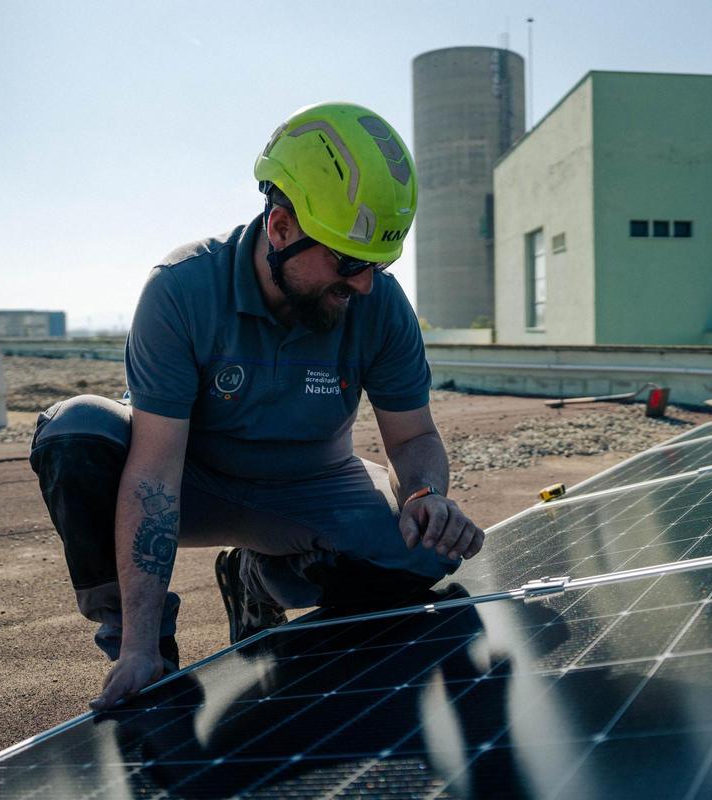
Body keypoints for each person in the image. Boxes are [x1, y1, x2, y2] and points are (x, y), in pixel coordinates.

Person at [29, 101, 485, 712]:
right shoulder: (181, 289)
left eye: (377, 265)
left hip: (310, 486)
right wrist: (139, 644)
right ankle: (150, 651)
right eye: (348, 263)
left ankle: (256, 577)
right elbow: (155, 470)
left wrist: (426, 494)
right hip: (191, 483)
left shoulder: (379, 303)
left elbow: (412, 438)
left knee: (421, 554)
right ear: (280, 228)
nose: (365, 285)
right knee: (77, 434)